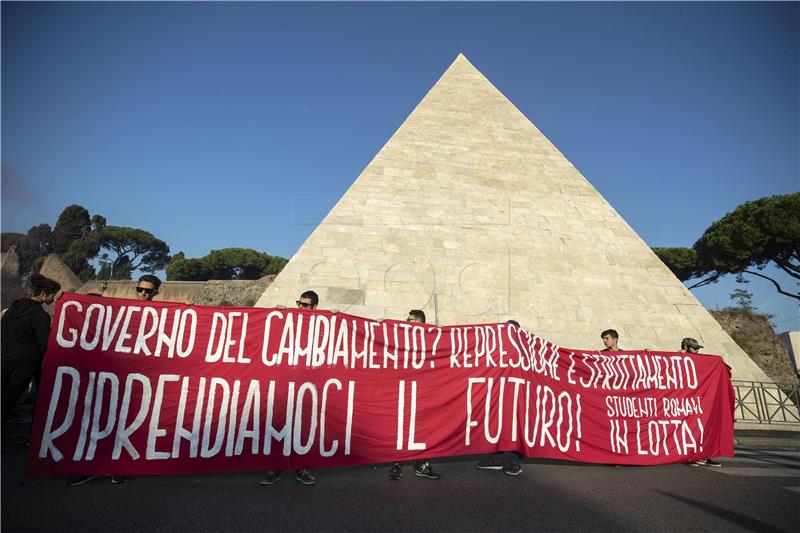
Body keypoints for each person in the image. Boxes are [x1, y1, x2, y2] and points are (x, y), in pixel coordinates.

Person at [67, 276, 162, 486]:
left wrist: (187, 309)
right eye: (140, 289)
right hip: (111, 375)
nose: (143, 294)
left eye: (148, 291)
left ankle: (115, 466)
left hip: (138, 379)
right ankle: (90, 465)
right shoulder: (121, 311)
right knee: (97, 419)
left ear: (156, 293)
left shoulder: (165, 316)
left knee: (124, 424)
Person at [260, 290, 319, 486]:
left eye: (306, 305)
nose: (301, 307)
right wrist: (277, 314)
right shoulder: (287, 319)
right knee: (278, 425)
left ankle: (302, 469)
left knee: (303, 429)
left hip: (307, 385)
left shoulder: (321, 325)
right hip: (284, 383)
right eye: (299, 303)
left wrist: (335, 316)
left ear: (314, 307)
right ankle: (275, 468)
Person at [388, 309, 442, 481]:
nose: (408, 323)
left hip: (424, 393)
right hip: (404, 391)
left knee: (424, 430)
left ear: (422, 325)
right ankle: (397, 463)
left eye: (412, 321)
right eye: (407, 320)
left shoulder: (431, 341)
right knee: (402, 429)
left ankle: (422, 465)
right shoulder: (401, 338)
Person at [1, 274, 61, 424]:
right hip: (26, 363)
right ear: (43, 294)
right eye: (52, 296)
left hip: (4, 355)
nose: (53, 300)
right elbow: (45, 343)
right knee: (11, 395)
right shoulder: (40, 316)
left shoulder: (12, 309)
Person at [476, 320, 524, 476]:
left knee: (517, 428)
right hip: (503, 394)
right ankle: (495, 459)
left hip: (519, 395)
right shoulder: (500, 347)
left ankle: (515, 463)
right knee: (501, 426)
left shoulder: (524, 348)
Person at [680, 337, 723, 468]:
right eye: (695, 348)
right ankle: (691, 455)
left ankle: (705, 454)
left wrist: (718, 363)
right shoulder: (677, 359)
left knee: (704, 429)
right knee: (689, 429)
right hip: (685, 402)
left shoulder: (700, 361)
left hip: (700, 401)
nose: (697, 350)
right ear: (686, 347)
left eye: (698, 348)